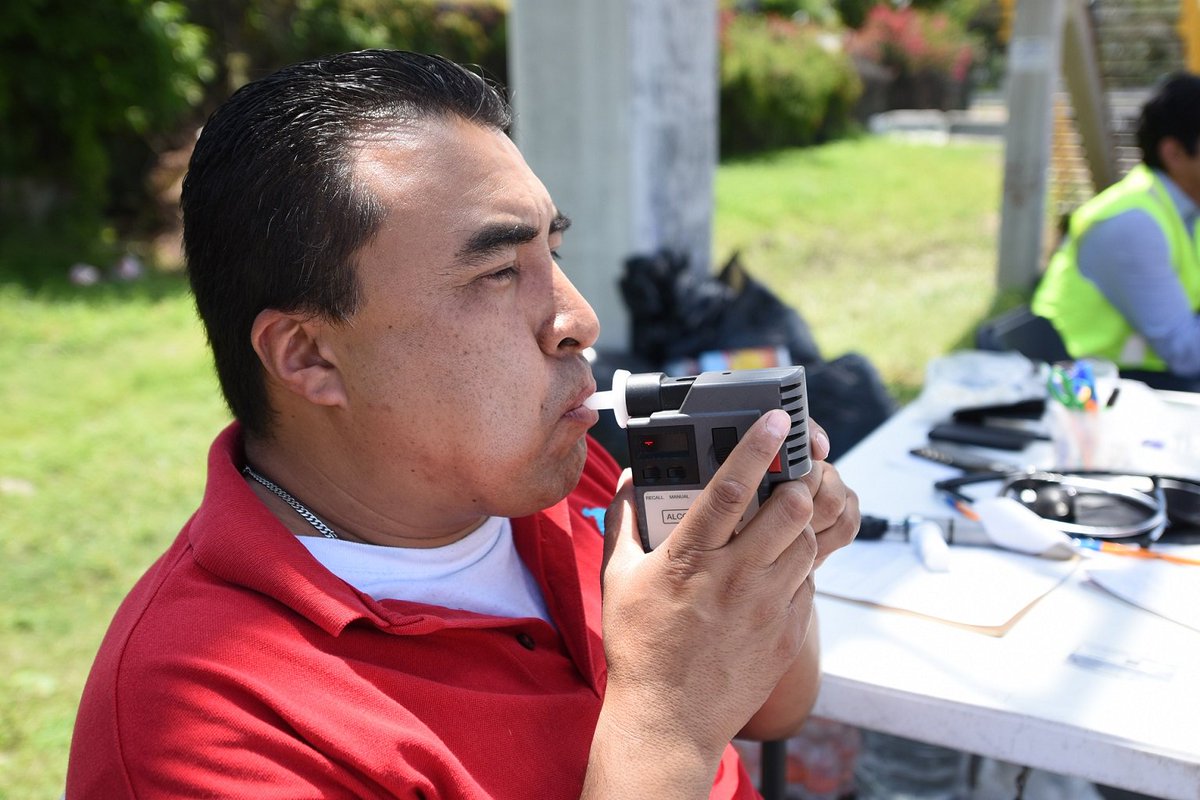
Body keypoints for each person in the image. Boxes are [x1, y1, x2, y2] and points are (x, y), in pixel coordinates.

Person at [66, 50, 859, 799]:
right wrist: (665, 720)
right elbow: (689, 719)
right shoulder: (200, 721)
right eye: (498, 272)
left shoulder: (557, 474)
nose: (579, 319)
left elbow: (773, 710)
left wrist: (771, 563)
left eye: (552, 253)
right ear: (309, 355)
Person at [1032, 71, 1200, 390]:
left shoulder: (1187, 208)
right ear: (1175, 154)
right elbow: (1186, 353)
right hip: (1084, 387)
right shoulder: (1133, 225)